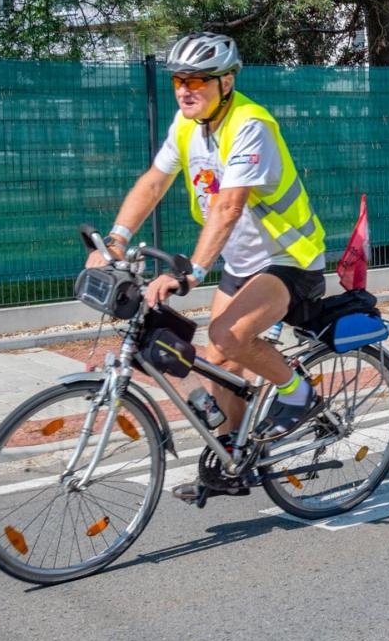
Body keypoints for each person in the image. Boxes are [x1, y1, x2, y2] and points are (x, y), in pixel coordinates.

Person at [87, 32, 329, 488]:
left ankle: (299, 394)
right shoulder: (186, 125)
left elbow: (228, 206)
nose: (185, 90)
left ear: (226, 82)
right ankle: (236, 458)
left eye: (197, 80)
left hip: (290, 259)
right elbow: (153, 183)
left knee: (226, 335)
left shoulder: (250, 124)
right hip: (242, 263)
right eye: (179, 80)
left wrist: (191, 273)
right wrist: (116, 241)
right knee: (216, 363)